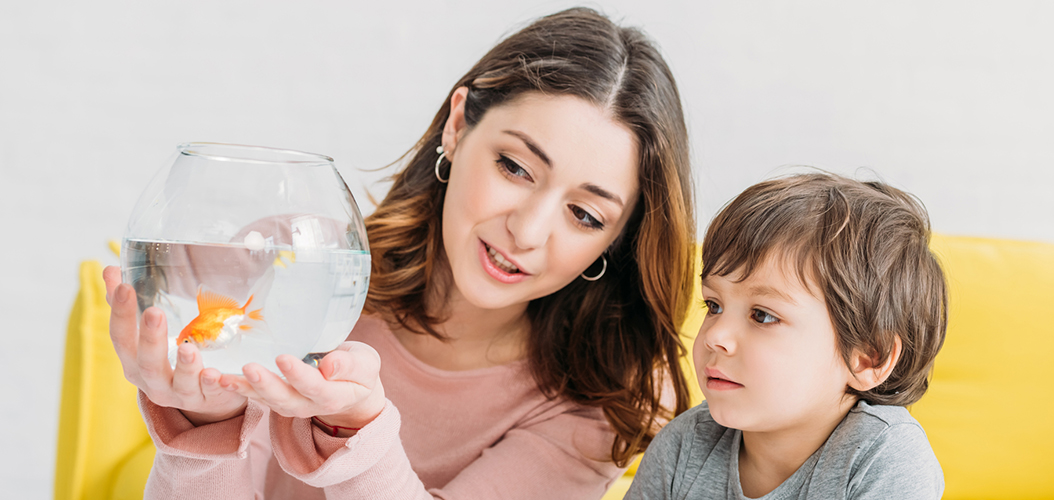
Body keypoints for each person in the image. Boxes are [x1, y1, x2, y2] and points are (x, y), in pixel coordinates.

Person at [102, 7, 696, 499]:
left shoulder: (595, 407)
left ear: (614, 241)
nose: (529, 231)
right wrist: (207, 425)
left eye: (585, 215)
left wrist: (357, 434)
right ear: (459, 126)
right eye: (515, 167)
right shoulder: (301, 274)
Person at [625, 172, 947, 499]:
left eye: (762, 315)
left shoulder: (886, 457)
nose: (715, 336)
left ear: (867, 357)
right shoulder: (683, 447)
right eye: (714, 305)